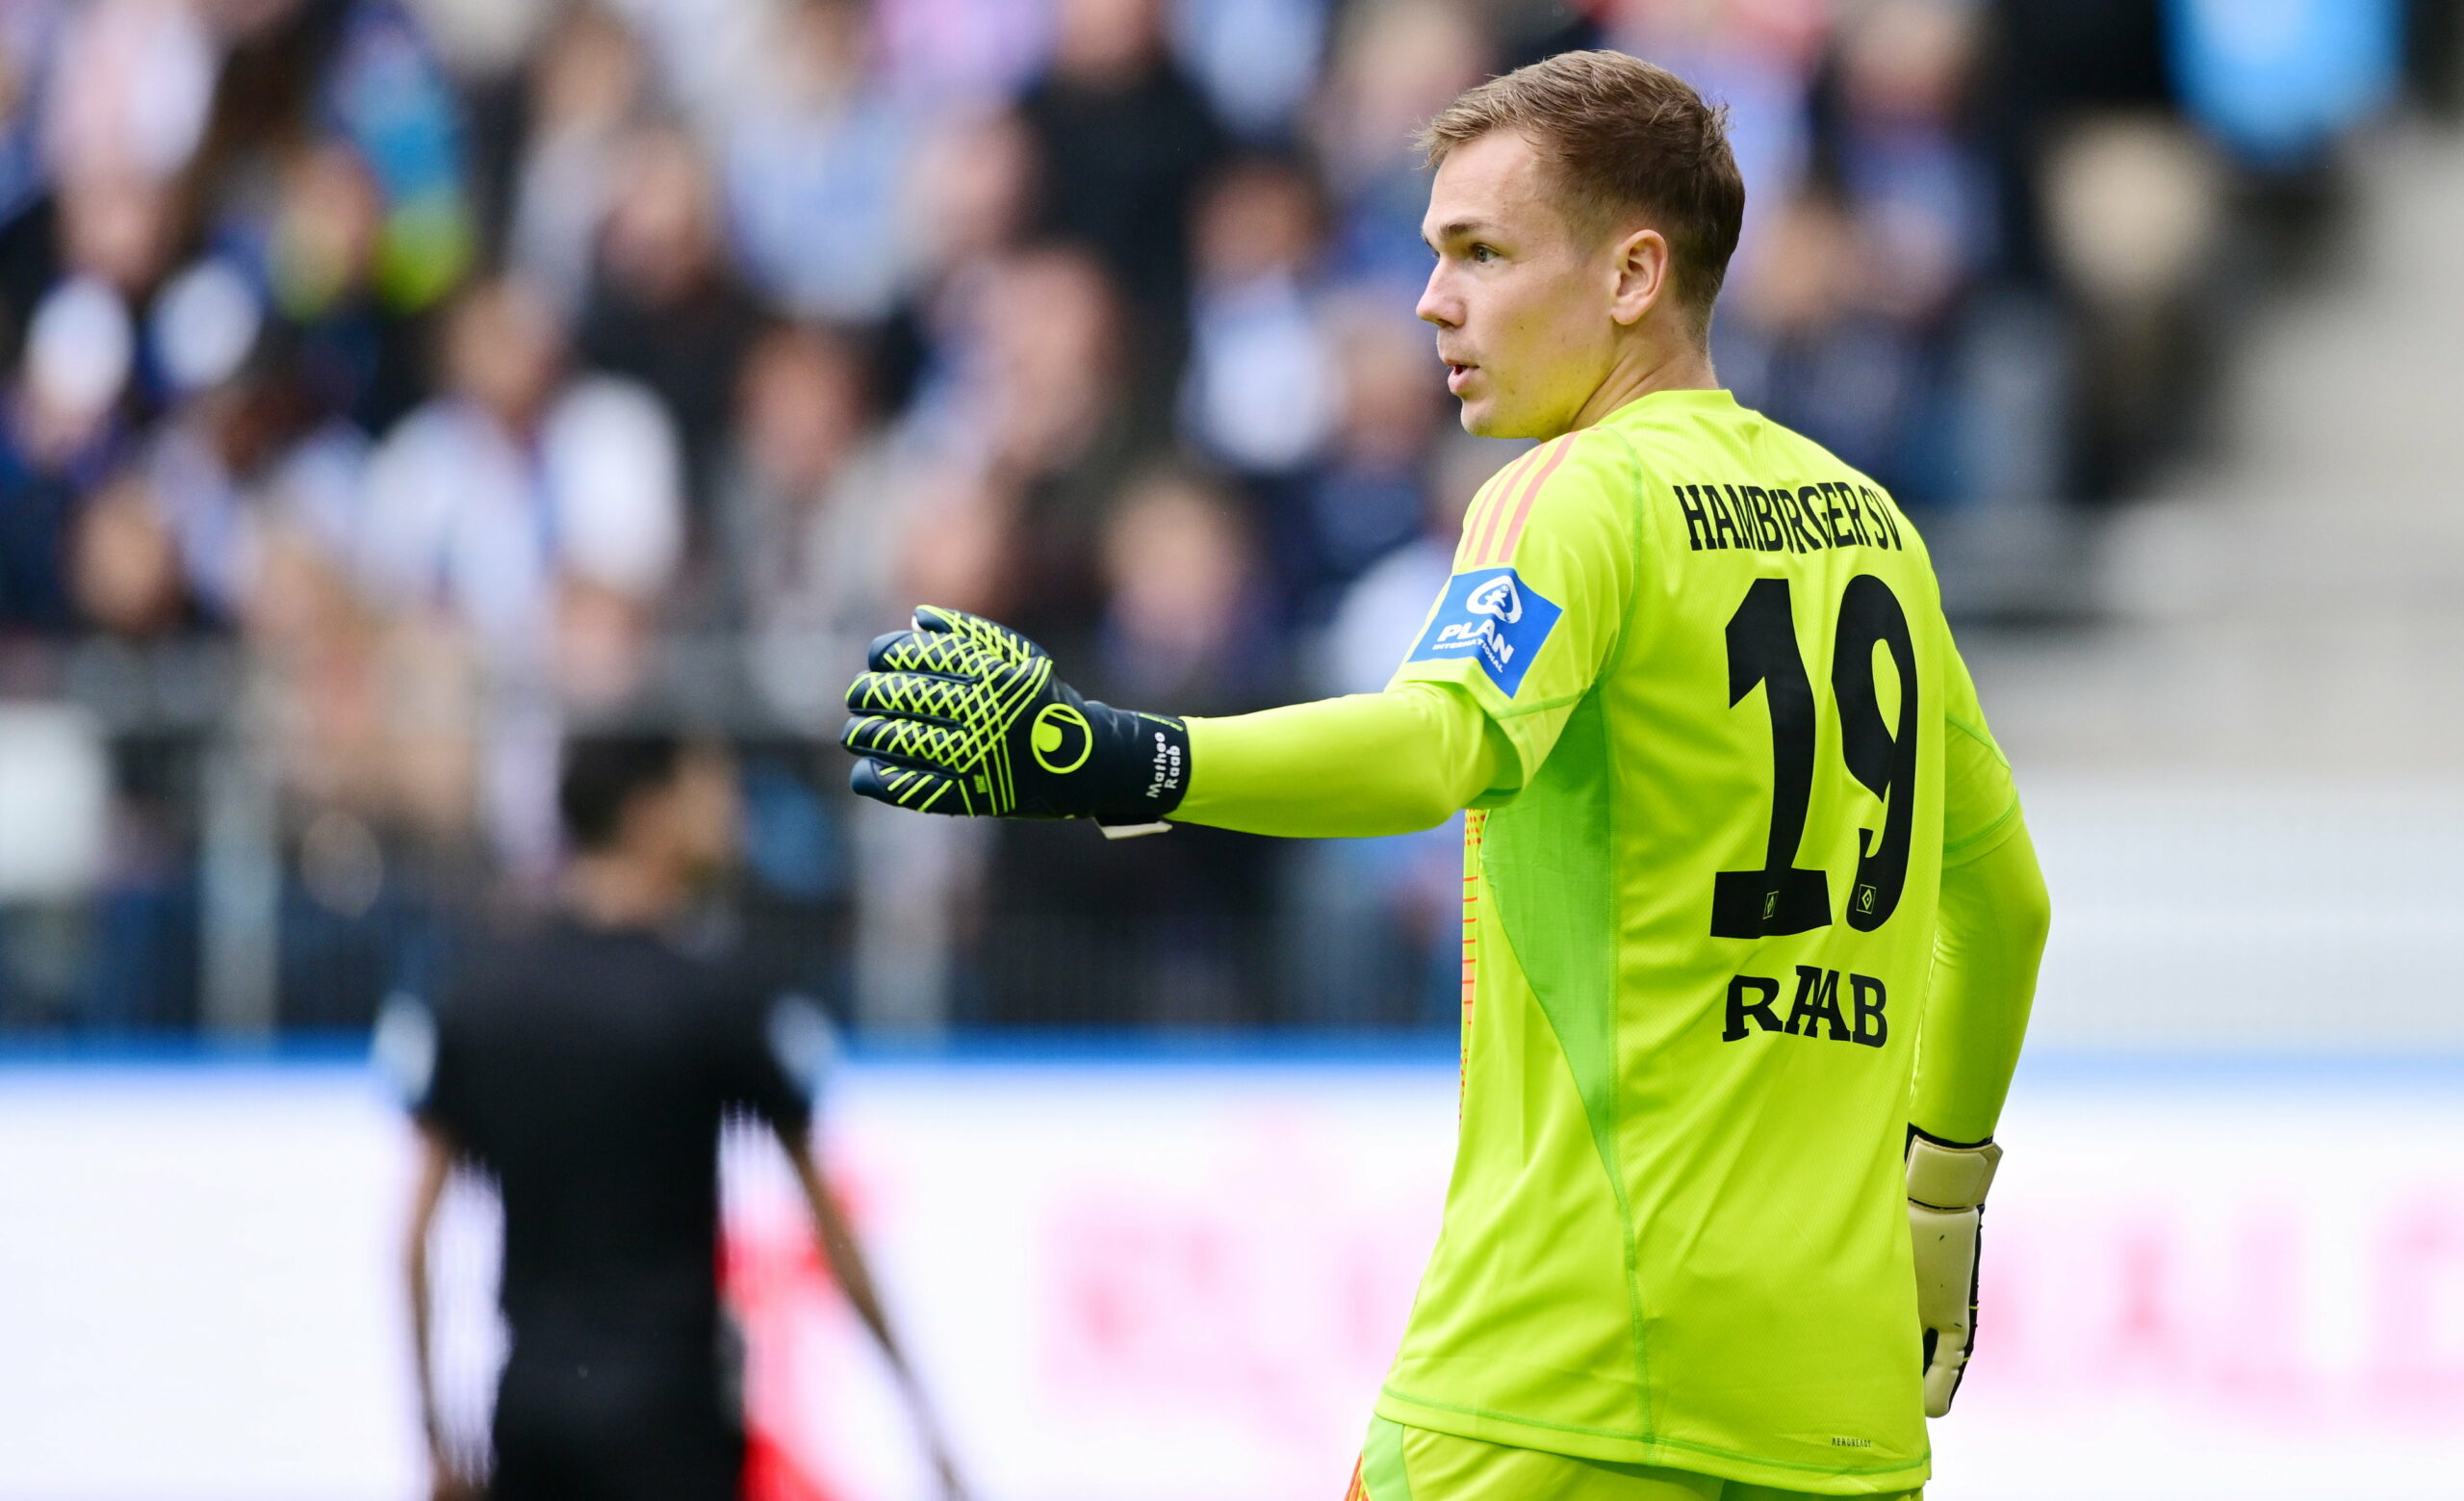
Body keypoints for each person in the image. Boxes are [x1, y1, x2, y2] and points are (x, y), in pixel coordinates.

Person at [838, 49, 2049, 1501]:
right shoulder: (1875, 531)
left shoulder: (1574, 493)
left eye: (1481, 252)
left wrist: (1121, 753)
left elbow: (1439, 743)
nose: (1433, 300)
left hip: (1566, 1369)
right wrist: (1939, 1204)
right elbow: (2005, 900)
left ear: (1632, 275)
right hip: (1829, 1398)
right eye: (1433, 255)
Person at [381, 730, 963, 1501]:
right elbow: (828, 1221)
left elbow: (414, 1236)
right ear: (649, 814)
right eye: (711, 797)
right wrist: (920, 1412)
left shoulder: (481, 991)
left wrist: (434, 1432)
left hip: (528, 1405)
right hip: (668, 1410)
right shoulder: (714, 993)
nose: (732, 820)